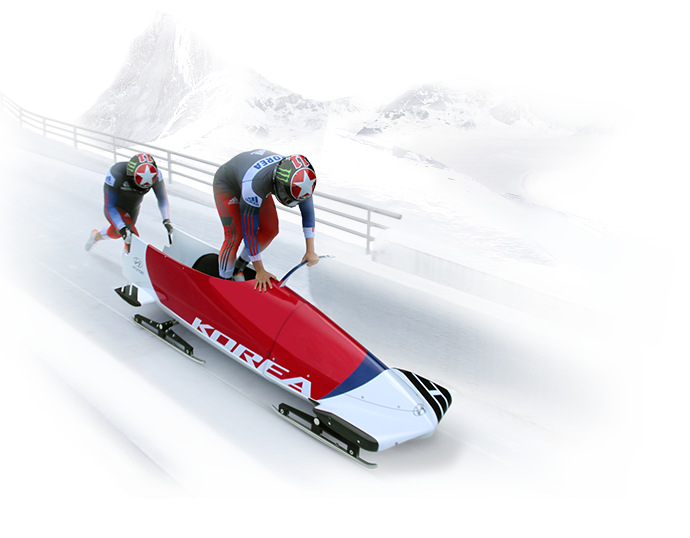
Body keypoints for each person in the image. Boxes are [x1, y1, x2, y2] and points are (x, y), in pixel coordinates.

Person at [212, 149, 319, 292]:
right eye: (286, 197)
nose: (289, 202)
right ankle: (223, 284)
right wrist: (260, 270)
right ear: (278, 184)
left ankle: (238, 268)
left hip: (254, 178)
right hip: (229, 185)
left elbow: (308, 212)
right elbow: (249, 232)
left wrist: (310, 251)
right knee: (235, 235)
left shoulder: (302, 180)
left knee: (271, 229)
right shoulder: (255, 185)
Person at [85, 153, 172, 252]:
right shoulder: (116, 173)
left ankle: (95, 236)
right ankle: (131, 257)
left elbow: (162, 198)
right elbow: (109, 205)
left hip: (133, 209)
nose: (139, 189)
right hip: (115, 207)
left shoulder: (156, 175)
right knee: (131, 238)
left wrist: (166, 219)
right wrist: (122, 227)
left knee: (117, 233)